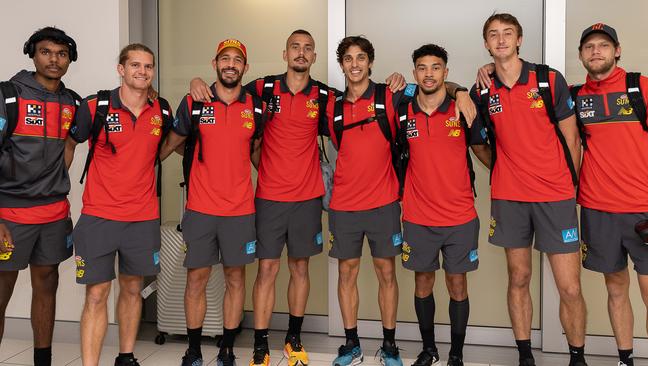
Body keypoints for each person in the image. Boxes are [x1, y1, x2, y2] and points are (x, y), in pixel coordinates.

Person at [188, 30, 411, 366]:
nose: (301, 53)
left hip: (308, 198)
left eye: (308, 49)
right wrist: (196, 82)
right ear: (285, 53)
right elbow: (226, 91)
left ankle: (294, 338)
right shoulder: (262, 90)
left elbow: (372, 96)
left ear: (315, 57)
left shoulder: (324, 96)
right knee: (266, 270)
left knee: (300, 268)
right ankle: (261, 344)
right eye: (295, 47)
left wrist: (400, 81)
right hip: (268, 199)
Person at [326, 36, 475, 366]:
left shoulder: (391, 96)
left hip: (385, 201)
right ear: (341, 65)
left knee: (387, 275)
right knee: (346, 275)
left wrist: (461, 89)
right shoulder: (331, 105)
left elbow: (434, 86)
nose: (354, 64)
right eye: (348, 59)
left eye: (361, 58)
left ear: (370, 62)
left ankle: (390, 345)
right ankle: (351, 344)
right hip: (344, 205)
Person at [471, 13, 587, 366]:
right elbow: (477, 141)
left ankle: (577, 358)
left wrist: (568, 187)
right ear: (487, 44)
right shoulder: (481, 89)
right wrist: (506, 168)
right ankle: (525, 357)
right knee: (518, 278)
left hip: (555, 197)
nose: (501, 40)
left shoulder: (548, 79)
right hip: (510, 198)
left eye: (508, 33)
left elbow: (572, 138)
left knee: (569, 287)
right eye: (493, 35)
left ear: (519, 39)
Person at [65, 43, 173, 366]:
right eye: (136, 65)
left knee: (132, 290)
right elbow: (70, 144)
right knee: (96, 295)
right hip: (100, 216)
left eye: (148, 66)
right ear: (121, 69)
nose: (142, 71)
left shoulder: (162, 110)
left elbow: (166, 145)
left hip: (142, 218)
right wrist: (57, 189)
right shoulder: (95, 106)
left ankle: (126, 357)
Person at [160, 38, 263, 366]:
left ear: (245, 68)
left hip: (240, 211)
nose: (231, 64)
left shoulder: (256, 107)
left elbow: (258, 152)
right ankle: (193, 351)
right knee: (197, 280)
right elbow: (168, 146)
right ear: (214, 63)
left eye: (237, 60)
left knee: (236, 280)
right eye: (225, 58)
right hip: (201, 210)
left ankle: (227, 349)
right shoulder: (194, 102)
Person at [399, 44, 490, 366]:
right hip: (417, 215)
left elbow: (482, 149)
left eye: (436, 67)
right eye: (422, 67)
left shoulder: (461, 109)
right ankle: (429, 349)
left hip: (460, 216)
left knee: (457, 284)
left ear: (446, 73)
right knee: (422, 282)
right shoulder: (402, 109)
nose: (429, 73)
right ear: (414, 73)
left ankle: (455, 354)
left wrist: (462, 92)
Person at [0, 26, 79, 366]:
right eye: (46, 52)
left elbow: (70, 143)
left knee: (47, 285)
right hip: (10, 216)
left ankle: (42, 361)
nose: (54, 60)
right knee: (1, 292)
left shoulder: (72, 102)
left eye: (61, 54)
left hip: (52, 214)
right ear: (33, 54)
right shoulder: (9, 96)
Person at [573, 23, 648, 366]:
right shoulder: (575, 96)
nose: (596, 51)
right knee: (616, 289)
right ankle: (625, 359)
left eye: (603, 45)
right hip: (598, 209)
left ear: (617, 50)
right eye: (589, 46)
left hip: (643, 210)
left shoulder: (640, 88)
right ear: (581, 55)